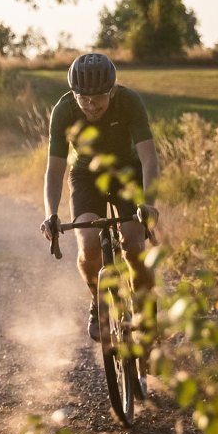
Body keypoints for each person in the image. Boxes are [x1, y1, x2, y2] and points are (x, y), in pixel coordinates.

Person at [40, 52, 160, 343]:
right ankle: (97, 299)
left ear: (112, 91)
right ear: (74, 93)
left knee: (133, 246)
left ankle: (145, 311)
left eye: (98, 98)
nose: (91, 105)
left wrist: (148, 202)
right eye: (84, 98)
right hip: (85, 175)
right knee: (88, 244)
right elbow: (54, 170)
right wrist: (50, 213)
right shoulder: (64, 110)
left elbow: (149, 158)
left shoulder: (129, 101)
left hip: (126, 172)